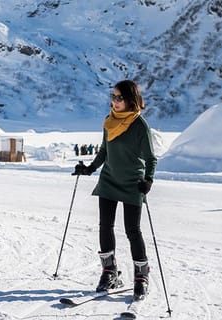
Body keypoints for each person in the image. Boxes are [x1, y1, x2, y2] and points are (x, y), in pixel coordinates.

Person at [72, 80, 157, 300]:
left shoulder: (139, 125)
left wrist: (148, 180)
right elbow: (104, 150)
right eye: (113, 96)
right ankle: (109, 272)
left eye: (119, 98)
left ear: (130, 99)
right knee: (105, 226)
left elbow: (151, 158)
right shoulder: (109, 120)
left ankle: (141, 276)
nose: (115, 101)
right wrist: (90, 168)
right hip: (109, 179)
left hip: (132, 182)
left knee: (132, 230)